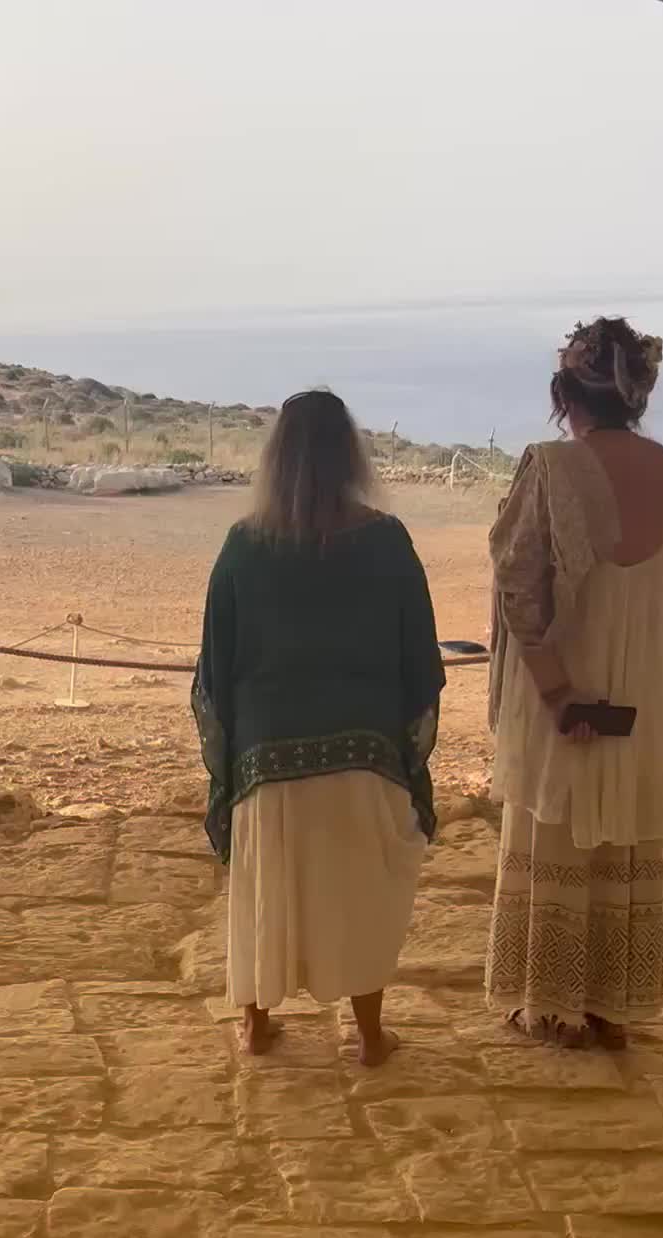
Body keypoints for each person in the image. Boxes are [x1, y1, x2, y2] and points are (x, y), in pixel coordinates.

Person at [191, 388, 445, 1063]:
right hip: (366, 760)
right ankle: (368, 1037)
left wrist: (228, 772)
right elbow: (421, 661)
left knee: (260, 893)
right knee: (360, 896)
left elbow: (214, 672)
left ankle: (254, 1026)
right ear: (350, 454)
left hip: (266, 763)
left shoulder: (243, 547)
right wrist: (410, 759)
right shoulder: (387, 541)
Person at [485, 316, 663, 1049]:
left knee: (559, 829)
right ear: (637, 397)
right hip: (642, 676)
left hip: (564, 682)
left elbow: (518, 590)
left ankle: (552, 1002)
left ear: (563, 395)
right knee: (627, 829)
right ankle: (614, 1002)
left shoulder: (549, 466)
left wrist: (555, 694)